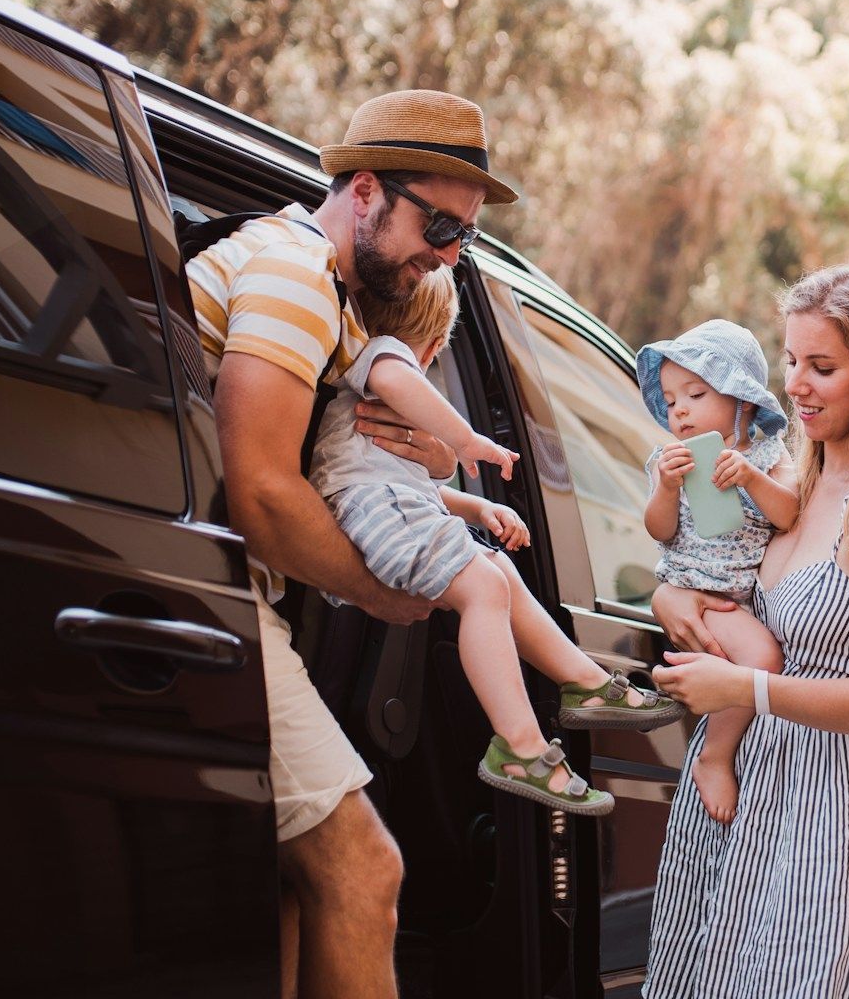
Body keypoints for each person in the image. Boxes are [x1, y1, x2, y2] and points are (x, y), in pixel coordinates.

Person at [187, 90, 509, 999]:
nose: (448, 255)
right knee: (364, 872)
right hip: (213, 602)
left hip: (214, 597)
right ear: (364, 190)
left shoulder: (321, 294)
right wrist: (379, 590)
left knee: (297, 890)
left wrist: (424, 462)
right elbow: (262, 490)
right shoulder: (297, 274)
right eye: (438, 225)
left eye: (465, 237)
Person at [644, 262, 849, 999]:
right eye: (790, 361)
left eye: (823, 367)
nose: (795, 385)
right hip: (741, 804)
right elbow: (709, 565)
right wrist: (669, 595)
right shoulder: (790, 481)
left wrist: (744, 690)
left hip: (833, 819)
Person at [307, 270, 682, 816]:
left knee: (496, 570)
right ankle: (520, 746)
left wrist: (477, 507)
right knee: (483, 586)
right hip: (373, 510)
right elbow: (397, 390)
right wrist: (466, 441)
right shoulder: (382, 358)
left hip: (382, 507)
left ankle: (584, 680)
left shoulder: (373, 401)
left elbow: (403, 489)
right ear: (433, 347)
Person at [636, 319, 798, 823]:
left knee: (755, 660)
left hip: (743, 599)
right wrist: (666, 488)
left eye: (696, 394)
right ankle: (715, 755)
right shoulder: (669, 460)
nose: (680, 410)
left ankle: (720, 747)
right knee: (763, 658)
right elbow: (659, 530)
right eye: (670, 400)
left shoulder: (768, 456)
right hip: (696, 590)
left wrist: (750, 477)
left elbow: (789, 514)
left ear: (742, 400)